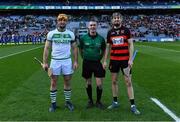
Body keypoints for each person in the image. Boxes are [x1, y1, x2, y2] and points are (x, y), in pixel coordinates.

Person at [103, 12, 140, 115]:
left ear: (121, 20)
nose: (116, 19)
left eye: (118, 18)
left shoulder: (126, 30)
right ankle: (115, 102)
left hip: (125, 60)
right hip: (114, 60)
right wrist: (105, 60)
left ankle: (133, 105)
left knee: (128, 82)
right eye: (115, 18)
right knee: (114, 81)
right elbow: (108, 47)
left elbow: (131, 44)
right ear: (112, 20)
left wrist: (131, 59)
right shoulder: (110, 32)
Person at [43, 13, 78, 112]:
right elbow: (47, 48)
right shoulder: (51, 33)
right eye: (60, 20)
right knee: (53, 82)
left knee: (67, 81)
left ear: (66, 22)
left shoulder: (70, 34)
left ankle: (68, 102)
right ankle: (53, 104)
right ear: (57, 21)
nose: (62, 22)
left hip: (67, 61)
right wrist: (45, 62)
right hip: (55, 61)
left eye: (64, 20)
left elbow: (75, 48)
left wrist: (75, 61)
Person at [79, 17, 106, 109]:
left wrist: (101, 58)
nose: (92, 27)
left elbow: (104, 50)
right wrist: (83, 57)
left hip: (97, 63)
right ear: (88, 27)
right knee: (88, 83)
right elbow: (80, 49)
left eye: (94, 25)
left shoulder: (101, 39)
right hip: (86, 63)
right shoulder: (83, 38)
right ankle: (90, 100)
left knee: (99, 83)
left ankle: (98, 101)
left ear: (97, 26)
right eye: (91, 25)